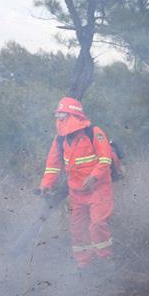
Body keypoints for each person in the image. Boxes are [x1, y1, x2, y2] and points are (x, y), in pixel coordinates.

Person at [38, 97, 115, 268]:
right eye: (58, 116)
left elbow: (105, 158)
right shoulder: (60, 140)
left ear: (73, 116)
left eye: (62, 116)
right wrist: (46, 184)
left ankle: (106, 259)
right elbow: (52, 166)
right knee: (77, 228)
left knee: (97, 223)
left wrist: (94, 176)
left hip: (98, 188)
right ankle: (84, 264)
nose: (59, 120)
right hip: (76, 192)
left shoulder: (93, 132)